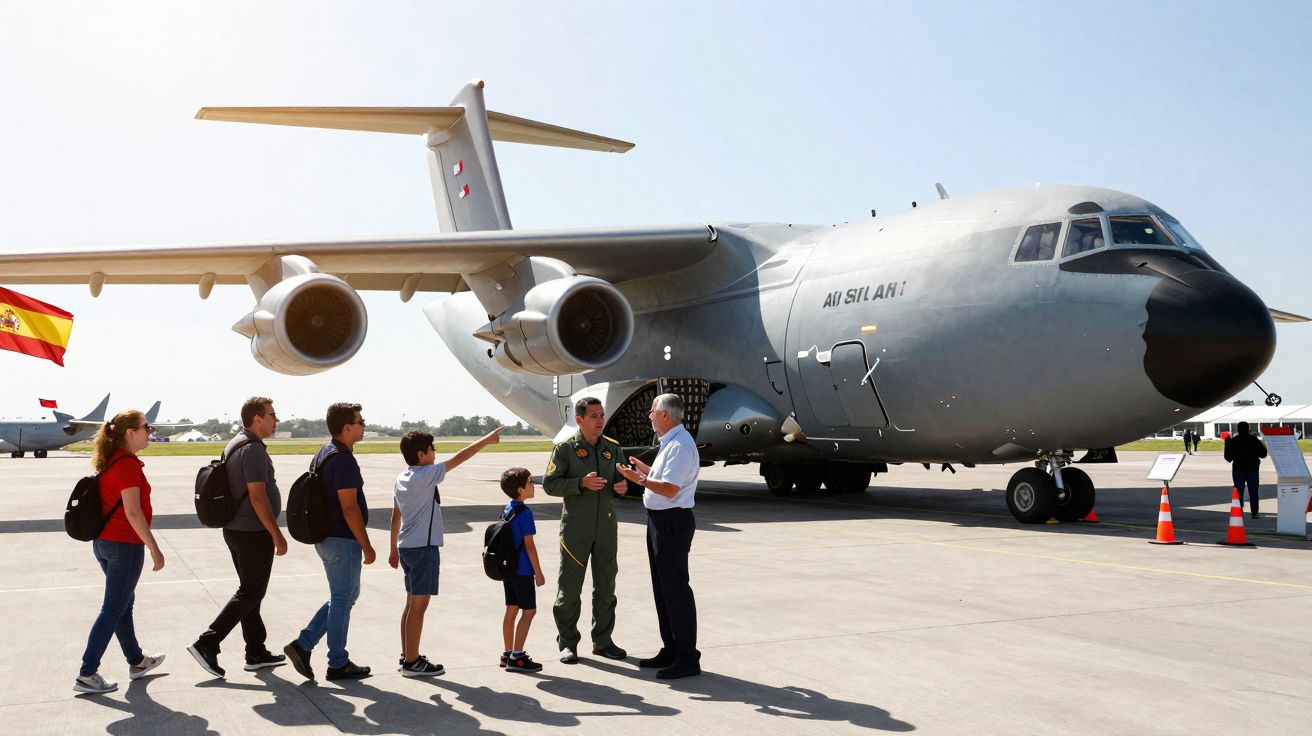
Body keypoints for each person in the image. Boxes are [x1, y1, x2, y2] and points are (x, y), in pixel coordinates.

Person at [187, 397, 289, 679]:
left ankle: (255, 651)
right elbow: (257, 496)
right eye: (272, 414)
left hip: (235, 529)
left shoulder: (236, 442)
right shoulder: (253, 449)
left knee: (250, 591)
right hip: (252, 532)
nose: (275, 419)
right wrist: (276, 533)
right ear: (257, 418)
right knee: (251, 591)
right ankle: (207, 642)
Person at [388, 427, 502, 677]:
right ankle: (412, 663)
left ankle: (408, 654)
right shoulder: (425, 475)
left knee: (410, 604)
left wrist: (392, 549)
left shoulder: (402, 478)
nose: (436, 453)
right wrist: (485, 440)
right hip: (423, 549)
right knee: (419, 607)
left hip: (406, 546)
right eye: (433, 449)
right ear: (421, 455)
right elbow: (459, 458)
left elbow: (395, 516)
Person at [74, 410, 166, 695]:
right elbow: (133, 512)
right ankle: (87, 673)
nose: (149, 431)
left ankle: (137, 661)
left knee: (122, 604)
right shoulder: (126, 465)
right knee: (113, 608)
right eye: (146, 427)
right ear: (130, 433)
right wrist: (154, 547)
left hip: (105, 544)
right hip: (124, 546)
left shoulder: (112, 461)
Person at [284, 403, 375, 681]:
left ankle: (304, 644)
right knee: (342, 598)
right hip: (342, 539)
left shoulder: (325, 452)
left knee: (345, 597)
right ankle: (337, 662)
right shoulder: (344, 460)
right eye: (360, 422)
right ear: (347, 427)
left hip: (328, 538)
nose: (363, 426)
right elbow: (349, 508)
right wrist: (367, 544)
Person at [616, 393, 702, 680]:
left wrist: (637, 480)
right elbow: (663, 478)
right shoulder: (671, 443)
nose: (649, 416)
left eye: (652, 411)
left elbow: (668, 489)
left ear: (665, 415)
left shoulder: (679, 446)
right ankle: (672, 648)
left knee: (675, 590)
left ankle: (687, 657)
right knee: (663, 589)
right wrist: (644, 470)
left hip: (671, 522)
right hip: (659, 521)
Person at [543, 397, 629, 664]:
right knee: (569, 588)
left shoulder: (612, 449)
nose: (600, 420)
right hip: (575, 530)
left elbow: (623, 481)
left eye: (602, 415)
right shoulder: (565, 449)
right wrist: (580, 483)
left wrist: (622, 488)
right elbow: (550, 484)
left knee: (606, 586)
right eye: (594, 416)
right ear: (580, 420)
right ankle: (567, 642)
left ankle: (603, 641)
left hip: (606, 528)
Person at [499, 467, 545, 673]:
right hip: (523, 570)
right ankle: (517, 656)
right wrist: (539, 572)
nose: (533, 485)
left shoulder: (508, 507)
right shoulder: (525, 513)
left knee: (511, 609)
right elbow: (529, 546)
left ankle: (507, 652)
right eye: (530, 483)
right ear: (520, 490)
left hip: (509, 569)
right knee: (529, 611)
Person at [1224, 421, 1268, 519]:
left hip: (1238, 470)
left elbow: (1228, 458)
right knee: (1253, 492)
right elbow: (1263, 454)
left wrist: (1227, 444)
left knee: (1239, 491)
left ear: (1238, 430)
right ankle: (1255, 513)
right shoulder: (1254, 440)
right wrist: (1263, 444)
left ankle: (1239, 511)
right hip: (1252, 469)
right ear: (1248, 429)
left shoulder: (1234, 441)